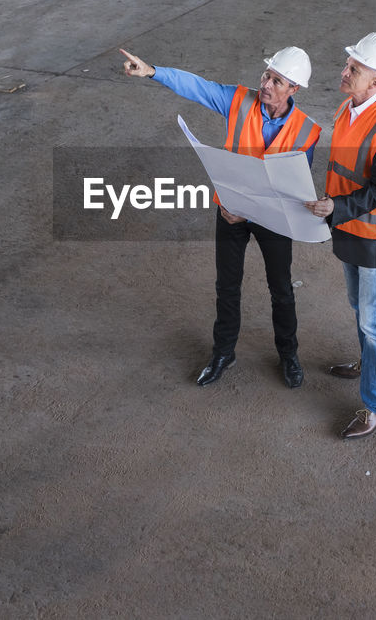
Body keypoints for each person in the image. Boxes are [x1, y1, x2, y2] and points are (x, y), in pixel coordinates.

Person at [120, 46, 321, 389]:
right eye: (266, 75)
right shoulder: (239, 100)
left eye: (277, 80)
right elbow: (199, 86)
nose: (266, 84)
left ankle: (288, 355)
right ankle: (223, 352)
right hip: (231, 211)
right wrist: (153, 71)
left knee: (282, 289)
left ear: (294, 90)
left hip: (273, 219)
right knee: (227, 287)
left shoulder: (308, 132)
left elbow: (297, 185)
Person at [304, 32, 376, 439]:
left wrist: (337, 208)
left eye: (354, 69)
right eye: (348, 65)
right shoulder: (347, 108)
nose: (344, 72)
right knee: (359, 308)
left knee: (375, 325)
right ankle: (367, 364)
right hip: (349, 231)